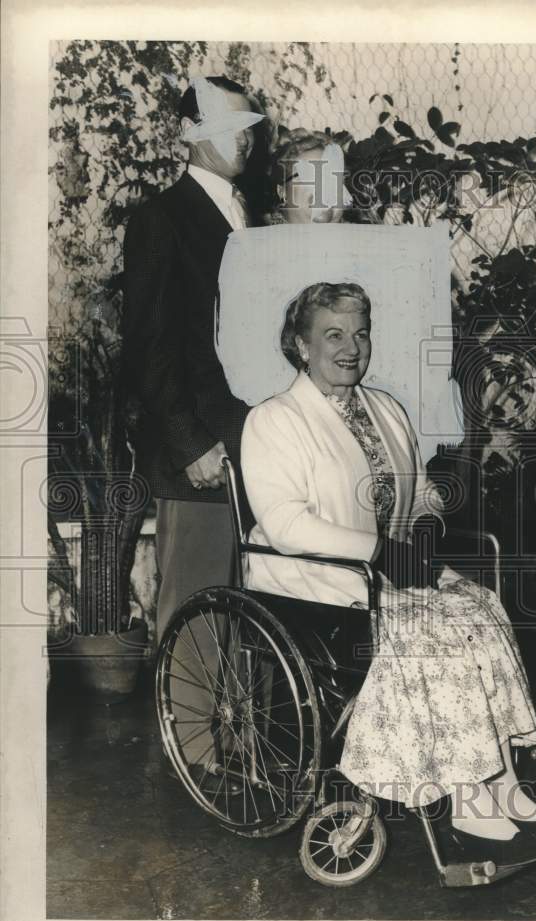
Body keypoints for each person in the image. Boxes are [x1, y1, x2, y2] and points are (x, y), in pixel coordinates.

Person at [240, 281, 536, 865]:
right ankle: (469, 805)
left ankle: (503, 787)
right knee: (437, 635)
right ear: (300, 345)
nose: (351, 348)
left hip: (392, 569)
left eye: (361, 333)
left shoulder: (386, 408)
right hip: (318, 583)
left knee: (480, 610)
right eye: (334, 335)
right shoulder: (274, 421)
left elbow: (421, 492)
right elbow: (286, 524)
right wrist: (380, 552)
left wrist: (424, 525)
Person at [122, 75, 265, 769]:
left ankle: (237, 744)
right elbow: (148, 346)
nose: (248, 136)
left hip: (252, 439)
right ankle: (196, 758)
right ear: (189, 134)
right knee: (197, 598)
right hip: (198, 450)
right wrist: (191, 443)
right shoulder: (161, 217)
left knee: (246, 597)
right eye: (234, 124)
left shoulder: (250, 214)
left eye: (250, 124)